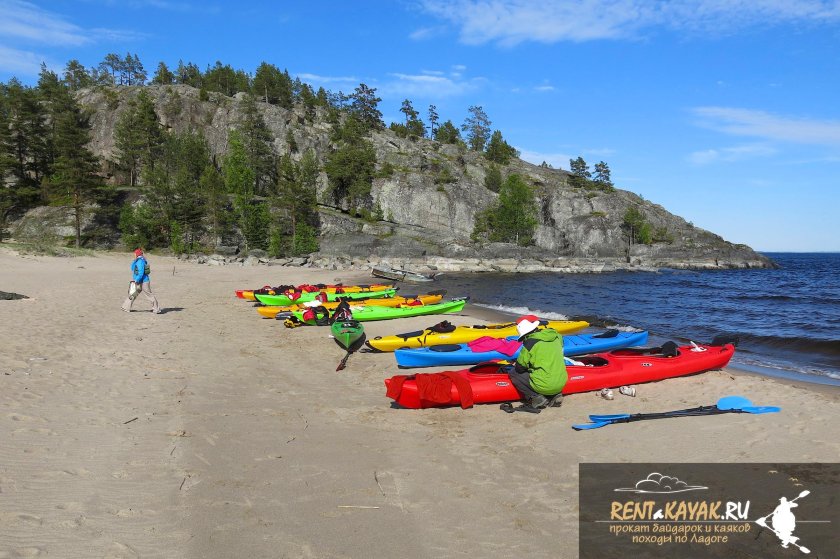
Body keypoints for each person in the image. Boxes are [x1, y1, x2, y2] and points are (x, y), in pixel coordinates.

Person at [507, 314, 566, 410]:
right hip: (561, 383)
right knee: (548, 370)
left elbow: (519, 368)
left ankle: (536, 398)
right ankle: (555, 395)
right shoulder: (557, 336)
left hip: (544, 385)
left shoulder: (530, 343)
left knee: (514, 373)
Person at [122, 248, 161, 314]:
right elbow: (132, 268)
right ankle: (126, 307)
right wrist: (134, 261)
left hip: (143, 281)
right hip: (140, 281)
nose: (134, 255)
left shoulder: (140, 261)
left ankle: (156, 309)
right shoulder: (138, 260)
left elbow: (141, 273)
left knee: (149, 295)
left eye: (134, 254)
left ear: (137, 254)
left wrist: (136, 280)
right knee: (133, 294)